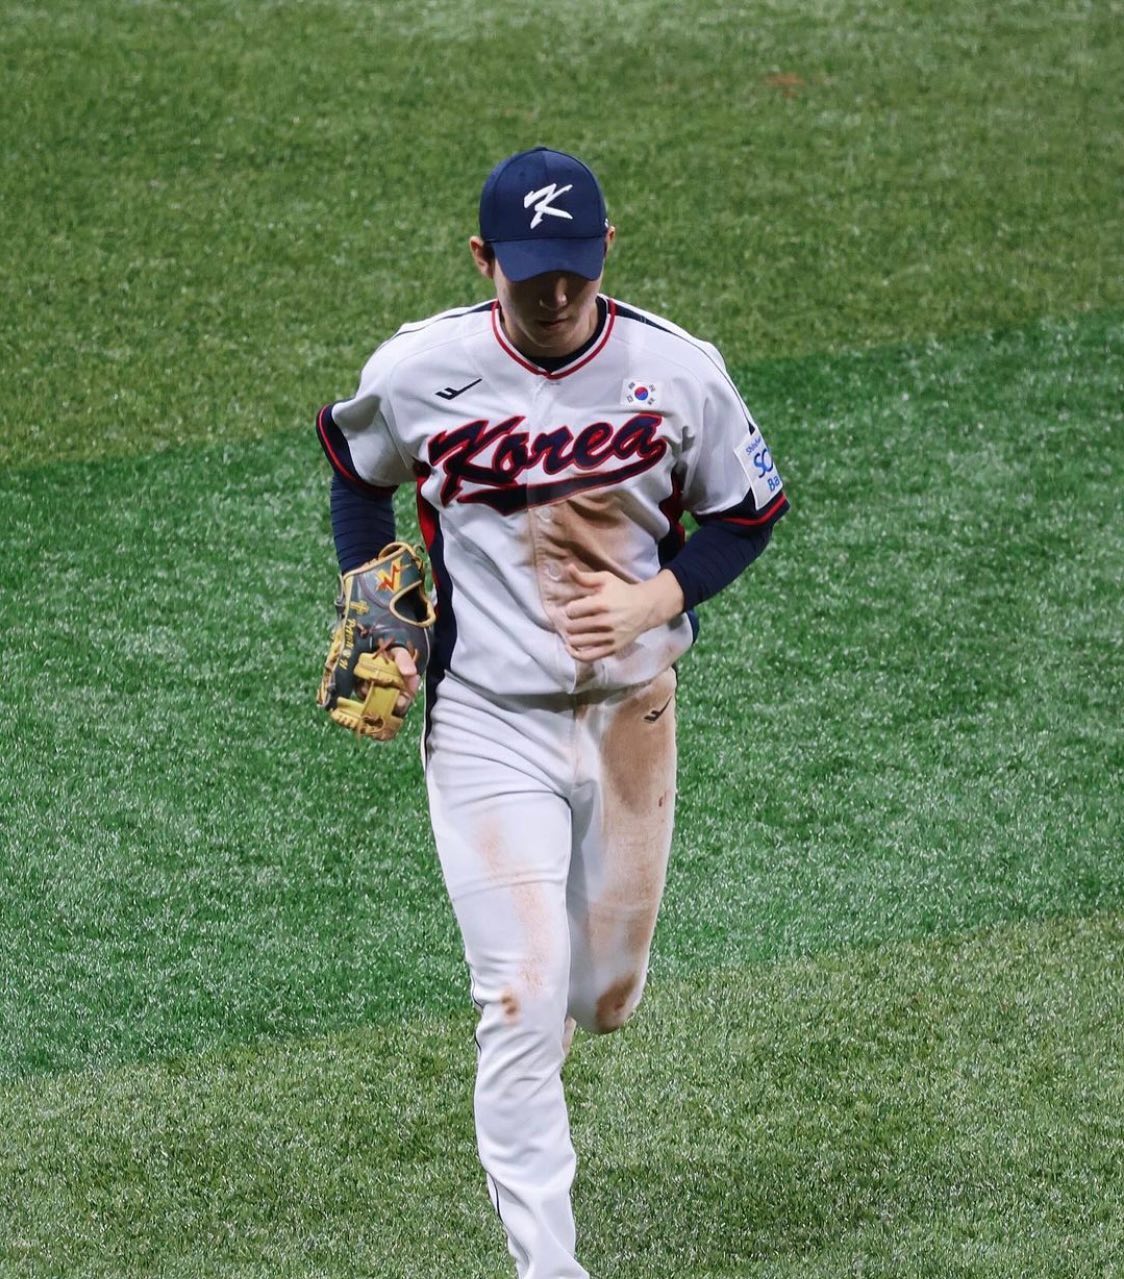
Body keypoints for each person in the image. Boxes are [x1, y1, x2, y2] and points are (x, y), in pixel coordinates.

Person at [316, 146, 788, 1279]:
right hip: (485, 721)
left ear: (607, 249)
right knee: (522, 996)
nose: (558, 293)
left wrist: (655, 599)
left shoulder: (678, 373)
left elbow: (749, 510)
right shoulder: (420, 370)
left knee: (599, 997)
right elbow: (355, 466)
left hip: (631, 716)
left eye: (576, 267)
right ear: (483, 259)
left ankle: (560, 1013)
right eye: (532, 274)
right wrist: (380, 607)